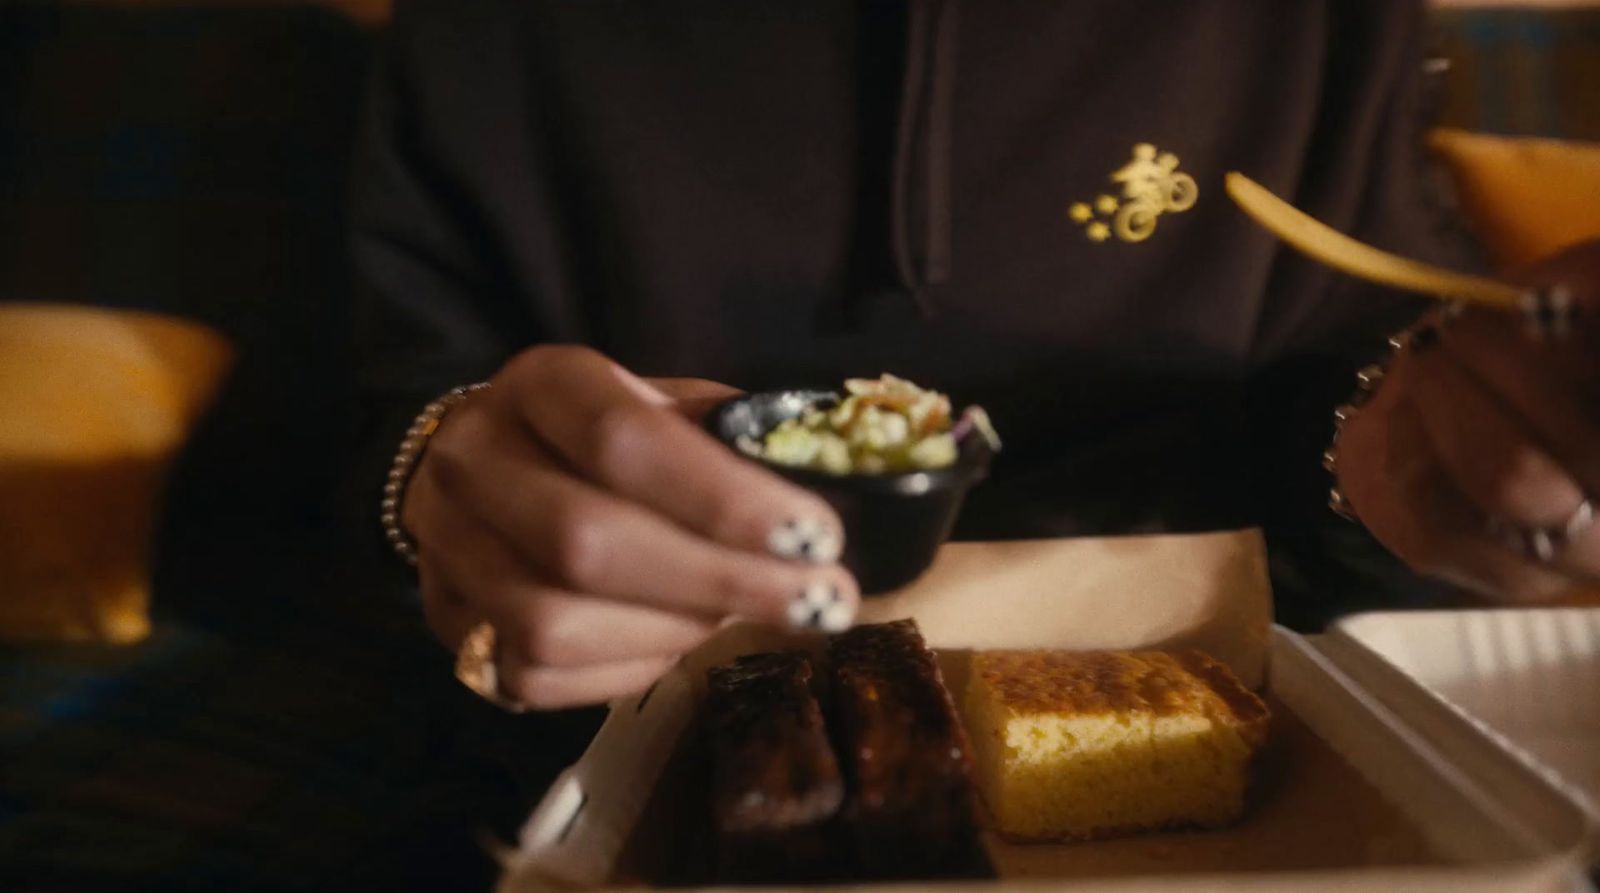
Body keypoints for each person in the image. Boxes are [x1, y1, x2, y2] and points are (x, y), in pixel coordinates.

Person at [351, 0, 1599, 721]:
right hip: (633, 729)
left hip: (1226, 701)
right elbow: (385, 405)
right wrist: (455, 492)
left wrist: (1422, 463)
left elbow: (1349, 383)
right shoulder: (483, 32)